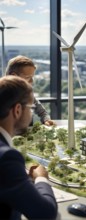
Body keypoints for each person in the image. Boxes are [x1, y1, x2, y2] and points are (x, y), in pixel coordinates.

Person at [0, 75, 58, 220]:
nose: (32, 113)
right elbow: (46, 214)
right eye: (31, 108)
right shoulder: (7, 158)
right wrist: (41, 179)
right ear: (17, 110)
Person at [5, 55, 56, 126]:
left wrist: (46, 120)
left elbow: (42, 112)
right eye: (28, 77)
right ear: (13, 76)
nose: (32, 81)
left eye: (32, 77)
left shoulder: (28, 94)